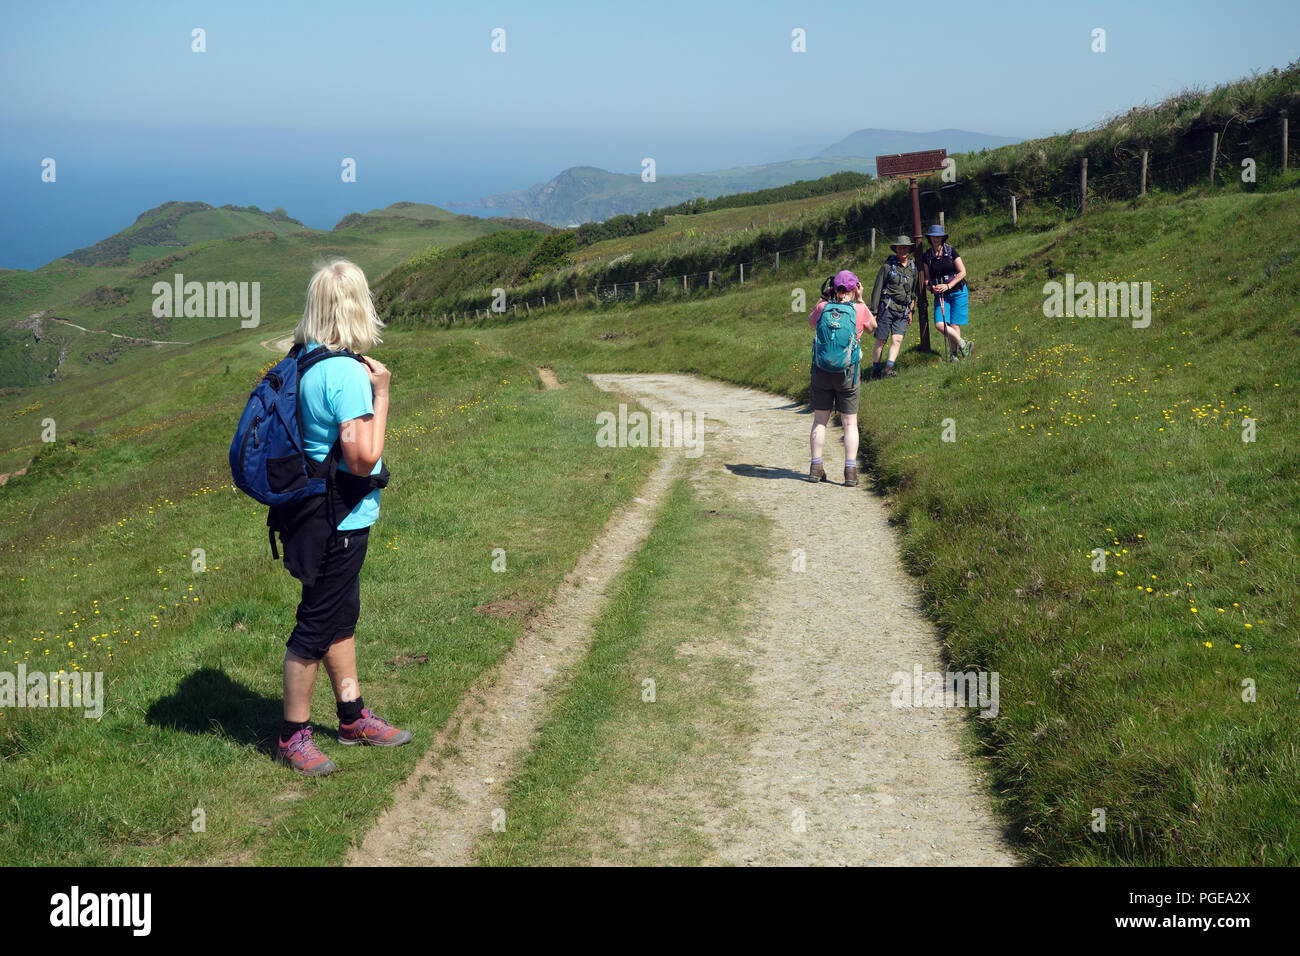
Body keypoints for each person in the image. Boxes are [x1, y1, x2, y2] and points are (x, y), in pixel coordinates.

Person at [273, 259, 411, 776]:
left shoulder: (304, 359)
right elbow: (361, 458)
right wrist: (383, 394)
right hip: (339, 520)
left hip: (310, 512)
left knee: (338, 619)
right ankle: (293, 737)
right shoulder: (348, 375)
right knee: (314, 626)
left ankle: (352, 718)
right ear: (358, 307)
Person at [807, 269, 875, 487]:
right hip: (848, 374)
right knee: (849, 423)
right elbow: (873, 328)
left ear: (833, 288)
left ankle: (815, 468)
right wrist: (861, 299)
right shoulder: (859, 309)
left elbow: (811, 321)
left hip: (821, 371)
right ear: (855, 288)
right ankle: (850, 472)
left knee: (820, 421)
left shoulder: (822, 307)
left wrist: (824, 297)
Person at [868, 235, 920, 378]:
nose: (902, 250)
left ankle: (888, 368)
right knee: (881, 340)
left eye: (905, 248)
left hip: (903, 310)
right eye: (900, 248)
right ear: (896, 249)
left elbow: (913, 292)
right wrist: (874, 311)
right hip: (886, 307)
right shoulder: (887, 267)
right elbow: (877, 289)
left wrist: (911, 310)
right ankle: (876, 370)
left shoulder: (913, 268)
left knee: (898, 339)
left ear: (909, 249)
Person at [920, 224, 973, 359]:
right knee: (940, 324)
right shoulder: (927, 256)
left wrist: (948, 285)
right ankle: (963, 344)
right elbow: (927, 279)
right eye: (933, 237)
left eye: (939, 236)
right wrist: (931, 287)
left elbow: (962, 272)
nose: (936, 239)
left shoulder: (951, 251)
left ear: (943, 238)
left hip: (958, 291)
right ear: (930, 238)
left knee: (954, 325)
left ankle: (954, 355)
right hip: (941, 295)